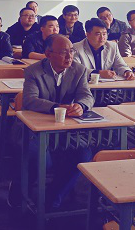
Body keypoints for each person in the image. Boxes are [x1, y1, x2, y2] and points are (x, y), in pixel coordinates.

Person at [14, 34, 95, 209]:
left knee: (83, 155)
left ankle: (52, 198)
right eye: (64, 52)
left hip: (65, 129)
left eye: (71, 51)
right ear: (48, 54)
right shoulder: (34, 71)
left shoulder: (79, 70)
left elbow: (87, 96)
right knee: (41, 159)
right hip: (33, 129)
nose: (69, 56)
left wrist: (81, 106)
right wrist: (56, 107)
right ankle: (19, 190)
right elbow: (30, 100)